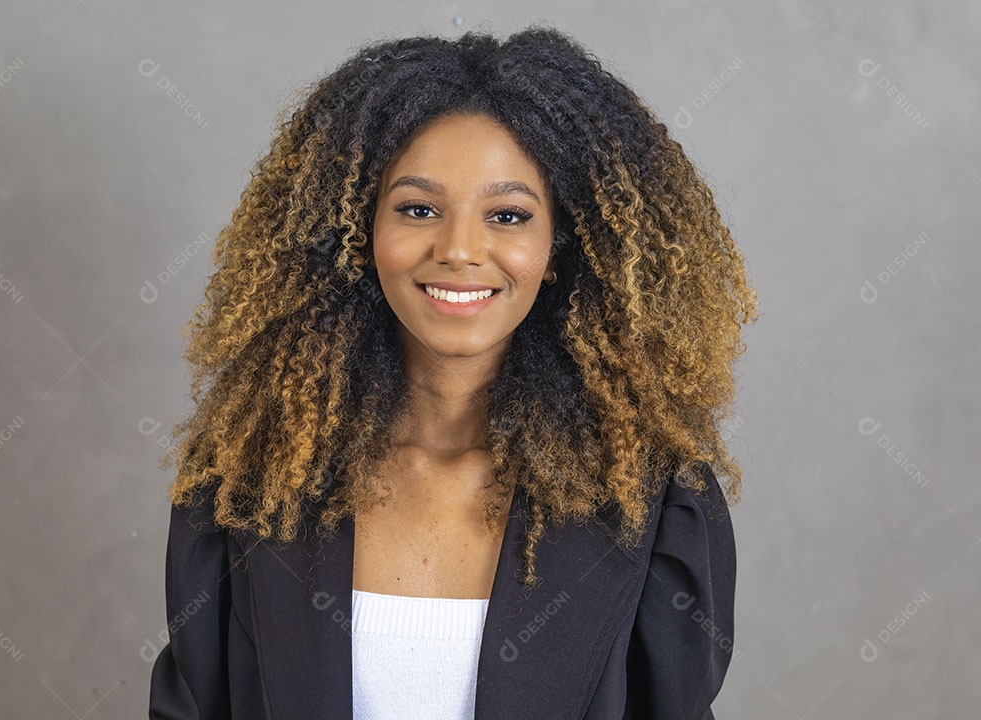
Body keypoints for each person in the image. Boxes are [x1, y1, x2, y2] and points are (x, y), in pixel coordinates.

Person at [148, 23, 759, 720]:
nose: (461, 250)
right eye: (418, 209)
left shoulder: (653, 503)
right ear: (354, 230)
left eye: (507, 214)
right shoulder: (247, 478)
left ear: (563, 243)